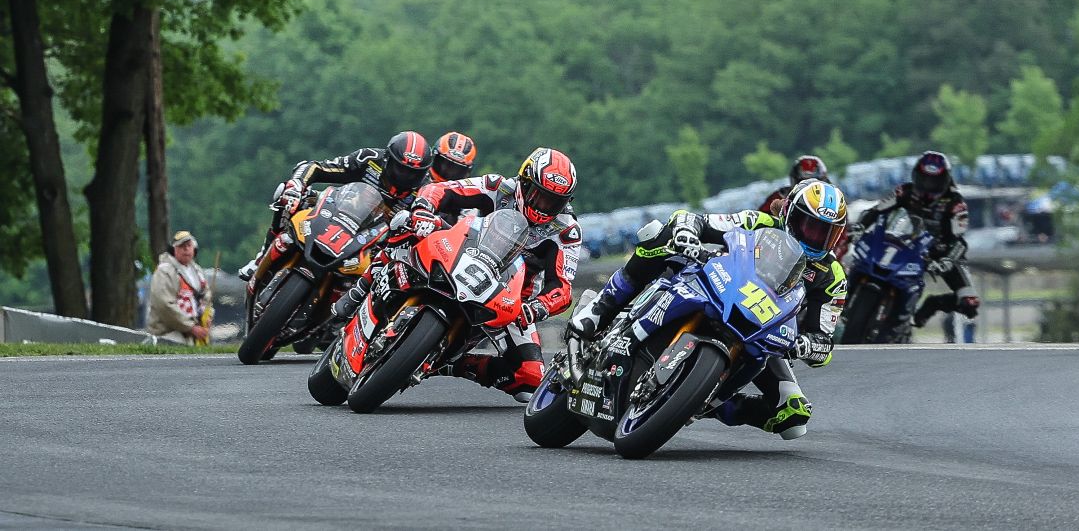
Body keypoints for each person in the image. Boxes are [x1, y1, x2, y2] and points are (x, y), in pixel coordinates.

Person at [569, 180, 849, 439]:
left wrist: (804, 345)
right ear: (789, 214)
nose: (815, 238)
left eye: (826, 233)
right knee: (659, 236)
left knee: (794, 419)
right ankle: (600, 308)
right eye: (809, 226)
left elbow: (823, 341)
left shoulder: (832, 276)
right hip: (718, 287)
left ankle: (700, 402)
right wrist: (687, 233)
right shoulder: (759, 222)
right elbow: (695, 220)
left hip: (764, 332)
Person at [337, 147, 583, 402]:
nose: (543, 207)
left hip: (508, 297)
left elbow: (562, 289)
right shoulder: (498, 187)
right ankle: (362, 287)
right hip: (459, 254)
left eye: (554, 202)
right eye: (538, 196)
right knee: (404, 224)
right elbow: (440, 190)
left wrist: (536, 308)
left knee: (530, 378)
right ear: (524, 182)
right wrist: (422, 210)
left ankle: (453, 364)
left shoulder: (566, 231)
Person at [237, 131, 437, 280]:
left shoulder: (427, 189)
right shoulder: (369, 159)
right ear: (387, 159)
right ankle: (261, 258)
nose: (406, 176)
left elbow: (428, 228)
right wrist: (297, 184)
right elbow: (316, 167)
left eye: (413, 173)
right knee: (287, 195)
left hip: (375, 242)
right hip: (338, 211)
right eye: (401, 169)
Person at [854, 150, 980, 328]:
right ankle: (845, 299)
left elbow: (959, 242)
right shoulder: (904, 191)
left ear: (945, 180)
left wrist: (947, 259)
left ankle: (931, 305)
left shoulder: (956, 204)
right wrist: (859, 226)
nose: (928, 186)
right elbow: (876, 210)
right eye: (924, 179)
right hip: (903, 242)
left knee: (970, 303)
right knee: (860, 260)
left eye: (934, 181)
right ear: (916, 175)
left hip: (940, 252)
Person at [148, 231, 213, 345]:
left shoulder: (197, 271)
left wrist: (208, 315)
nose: (186, 249)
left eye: (189, 245)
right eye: (181, 246)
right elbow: (164, 305)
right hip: (168, 335)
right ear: (173, 250)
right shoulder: (164, 271)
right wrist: (191, 327)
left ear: (194, 249)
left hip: (192, 337)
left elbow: (206, 297)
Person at [758, 155, 830, 214]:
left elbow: (839, 225)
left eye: (813, 184)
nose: (807, 188)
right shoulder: (780, 196)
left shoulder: (830, 201)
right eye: (803, 182)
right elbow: (761, 218)